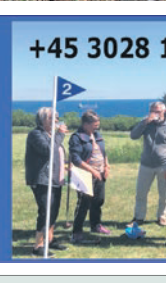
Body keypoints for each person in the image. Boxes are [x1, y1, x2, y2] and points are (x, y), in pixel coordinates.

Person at [23, 108, 67, 254]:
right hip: (43, 180)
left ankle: (50, 239)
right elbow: (48, 150)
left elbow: (57, 153)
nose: (56, 120)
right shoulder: (36, 134)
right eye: (51, 118)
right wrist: (60, 134)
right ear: (42, 120)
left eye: (57, 117)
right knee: (45, 211)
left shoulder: (51, 135)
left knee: (54, 211)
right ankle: (38, 246)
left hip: (56, 179)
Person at [129, 101, 166, 225]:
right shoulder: (145, 123)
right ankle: (138, 217)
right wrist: (145, 122)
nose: (154, 114)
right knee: (141, 192)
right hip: (146, 163)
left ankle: (162, 216)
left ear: (164, 112)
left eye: (157, 112)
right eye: (152, 111)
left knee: (164, 193)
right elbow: (133, 135)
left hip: (165, 163)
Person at [68, 110, 111, 244]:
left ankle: (96, 225)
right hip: (84, 174)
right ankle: (77, 232)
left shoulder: (97, 135)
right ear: (86, 124)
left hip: (99, 173)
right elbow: (75, 158)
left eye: (98, 124)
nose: (97, 126)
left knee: (98, 200)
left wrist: (106, 166)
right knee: (83, 203)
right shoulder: (76, 137)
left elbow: (103, 152)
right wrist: (92, 171)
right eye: (94, 124)